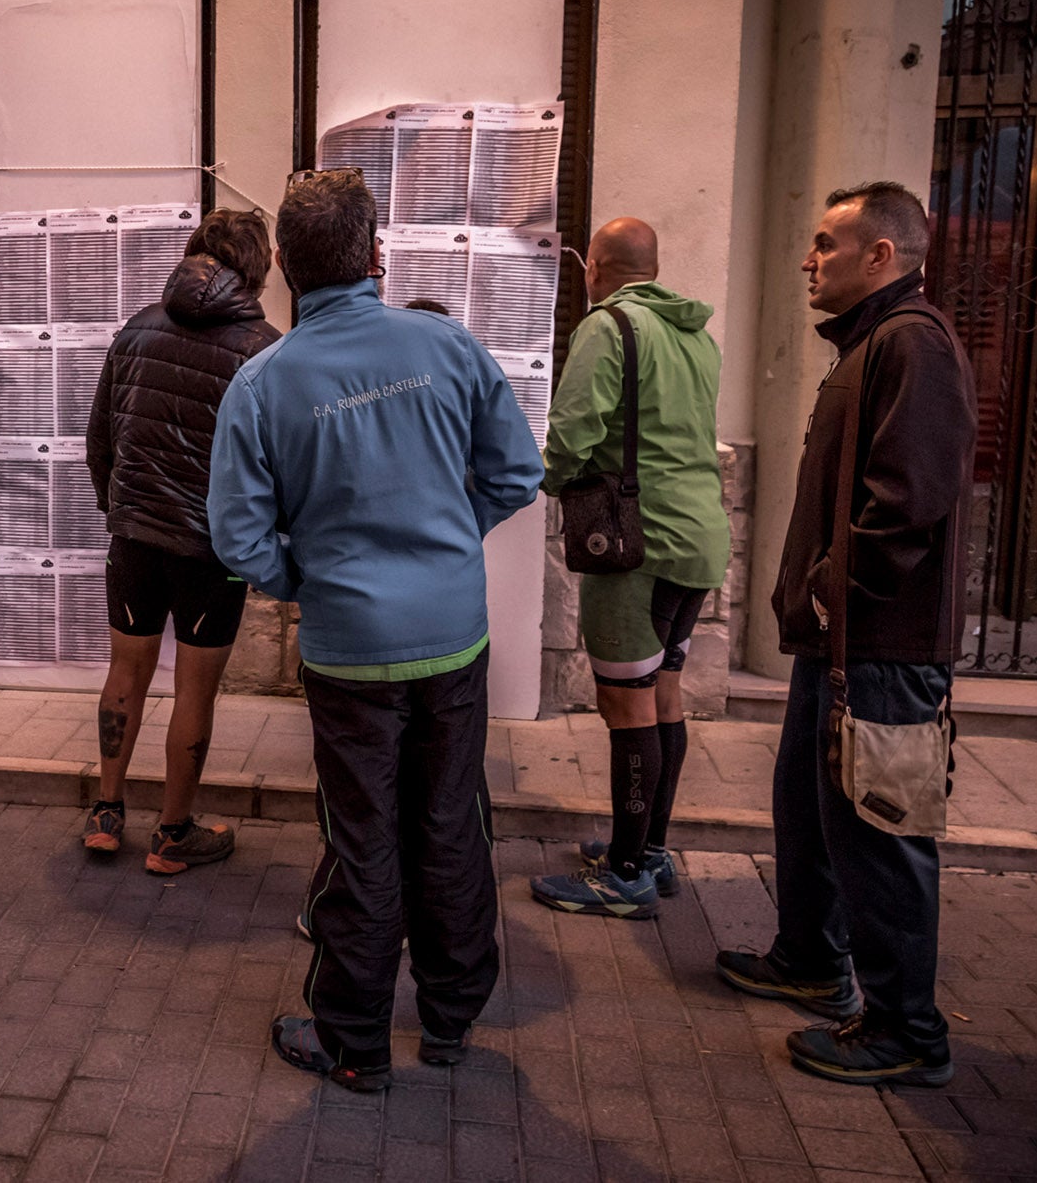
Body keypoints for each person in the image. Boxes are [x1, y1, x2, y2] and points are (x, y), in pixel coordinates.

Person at [209, 169, 542, 1091]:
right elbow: (519, 472)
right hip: (453, 639)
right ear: (376, 255)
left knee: (363, 836)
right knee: (450, 820)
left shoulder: (263, 382)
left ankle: (355, 1040)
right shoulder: (445, 344)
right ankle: (449, 1019)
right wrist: (445, 536)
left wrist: (309, 579)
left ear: (282, 265)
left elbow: (237, 537)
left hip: (350, 649)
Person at [715, 182, 975, 1088]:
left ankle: (907, 1029)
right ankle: (811, 958)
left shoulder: (913, 345)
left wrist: (834, 591)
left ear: (881, 255)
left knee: (880, 825)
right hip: (841, 645)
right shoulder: (871, 344)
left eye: (826, 243)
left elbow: (905, 504)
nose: (807, 259)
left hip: (883, 648)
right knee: (813, 805)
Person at [528, 218, 729, 918]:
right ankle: (648, 850)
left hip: (635, 543)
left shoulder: (607, 327)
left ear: (597, 267)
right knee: (663, 691)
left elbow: (575, 426)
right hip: (698, 537)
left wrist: (541, 480)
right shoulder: (695, 332)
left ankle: (621, 874)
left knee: (626, 701)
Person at [80, 210, 280, 874]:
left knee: (124, 672)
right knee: (195, 691)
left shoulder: (138, 326)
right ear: (260, 267)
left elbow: (99, 438)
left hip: (133, 538)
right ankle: (172, 834)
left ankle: (106, 814)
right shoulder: (263, 348)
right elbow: (271, 463)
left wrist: (121, 509)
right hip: (209, 550)